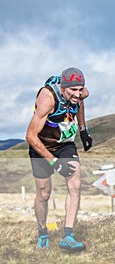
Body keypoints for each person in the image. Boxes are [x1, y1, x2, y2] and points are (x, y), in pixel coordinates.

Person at [26, 67, 93, 252]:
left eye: (80, 89)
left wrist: (83, 130)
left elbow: (79, 104)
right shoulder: (48, 98)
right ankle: (42, 233)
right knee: (44, 193)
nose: (78, 94)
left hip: (64, 144)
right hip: (40, 145)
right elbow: (30, 136)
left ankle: (68, 236)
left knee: (75, 183)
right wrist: (54, 162)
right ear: (63, 87)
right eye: (73, 90)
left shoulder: (81, 94)